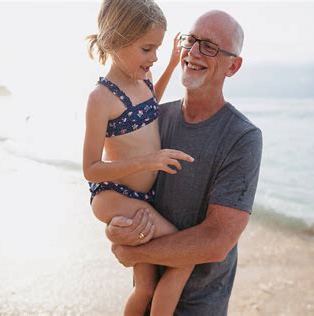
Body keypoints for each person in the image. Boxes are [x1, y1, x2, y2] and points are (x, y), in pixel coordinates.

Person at [105, 10, 263, 315]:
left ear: (234, 66)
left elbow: (217, 240)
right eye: (191, 40)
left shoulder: (242, 137)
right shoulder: (153, 119)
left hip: (200, 307)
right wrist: (115, 230)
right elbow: (121, 194)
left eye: (210, 46)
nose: (193, 52)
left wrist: (134, 250)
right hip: (143, 299)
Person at [82, 0, 195, 315]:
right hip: (114, 195)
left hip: (142, 197)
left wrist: (172, 64)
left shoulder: (143, 79)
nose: (154, 57)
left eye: (158, 49)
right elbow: (91, 169)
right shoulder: (101, 98)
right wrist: (149, 161)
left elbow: (147, 105)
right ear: (117, 41)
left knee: (145, 287)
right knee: (182, 254)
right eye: (147, 49)